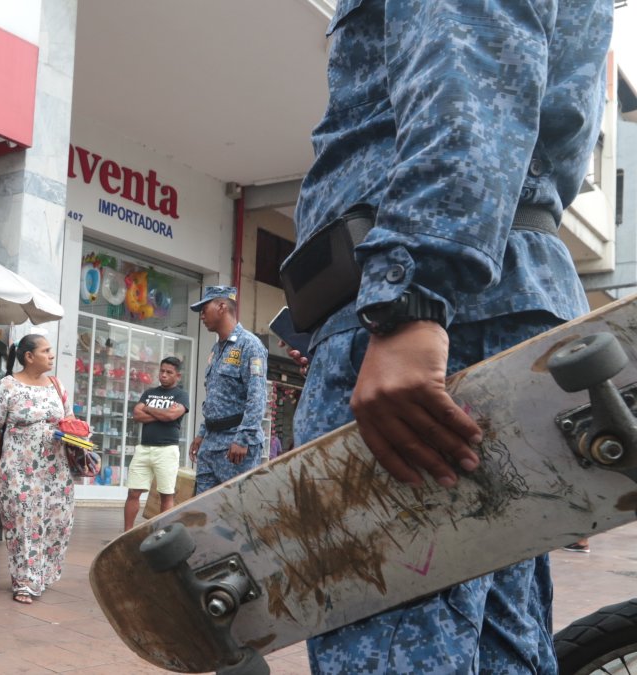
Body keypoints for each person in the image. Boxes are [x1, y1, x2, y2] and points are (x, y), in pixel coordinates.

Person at [286, 2, 612, 672]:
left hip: (432, 305)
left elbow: (472, 59)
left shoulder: (417, 295)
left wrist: (412, 296)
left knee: (393, 636)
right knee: (500, 639)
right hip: (497, 292)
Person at [0, 334, 72, 605]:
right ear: (29, 356)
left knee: (57, 521)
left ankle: (42, 573)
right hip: (19, 467)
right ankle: (24, 579)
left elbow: (68, 419)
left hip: (56, 468)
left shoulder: (56, 385)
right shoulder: (7, 385)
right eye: (46, 351)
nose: (52, 355)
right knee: (23, 521)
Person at [188, 286, 267, 495]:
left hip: (235, 445)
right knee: (202, 512)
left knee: (236, 512)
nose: (202, 316)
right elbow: (217, 397)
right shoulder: (217, 350)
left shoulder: (249, 345)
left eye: (205, 309)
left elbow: (257, 395)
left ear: (222, 306)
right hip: (211, 444)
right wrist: (202, 433)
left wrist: (244, 438)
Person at [123, 356, 189, 530]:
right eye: (162, 371)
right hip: (143, 449)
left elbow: (171, 416)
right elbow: (136, 415)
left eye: (169, 372)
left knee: (166, 494)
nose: (164, 375)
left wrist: (149, 408)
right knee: (133, 492)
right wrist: (162, 413)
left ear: (178, 376)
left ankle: (162, 534)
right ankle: (126, 533)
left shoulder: (181, 395)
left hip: (167, 450)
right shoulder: (149, 392)